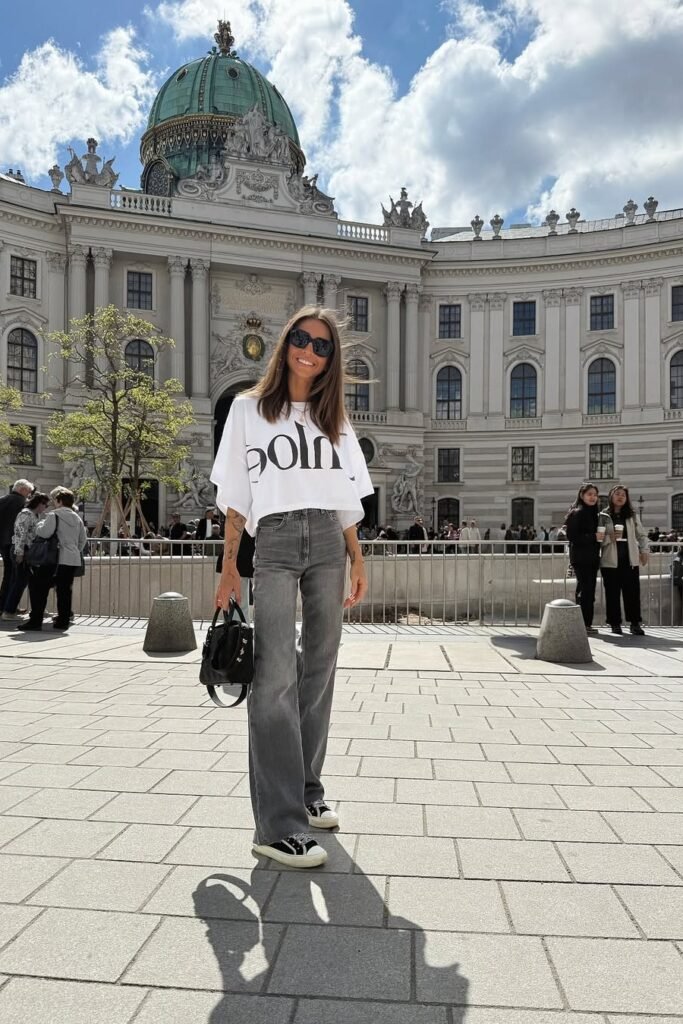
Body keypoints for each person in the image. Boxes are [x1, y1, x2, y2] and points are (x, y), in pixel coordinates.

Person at [211, 305, 373, 869]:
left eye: (322, 345)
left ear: (331, 358)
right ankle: (276, 825)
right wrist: (230, 566)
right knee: (274, 674)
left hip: (329, 538)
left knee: (321, 665)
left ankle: (306, 791)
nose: (309, 350)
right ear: (286, 343)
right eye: (301, 339)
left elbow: (348, 497)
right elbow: (236, 494)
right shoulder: (249, 409)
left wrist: (357, 557)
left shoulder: (334, 419)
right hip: (275, 541)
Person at [18, 487, 87, 632]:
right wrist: (73, 550)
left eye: (56, 500)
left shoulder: (54, 515)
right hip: (71, 559)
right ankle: (63, 621)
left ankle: (36, 621)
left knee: (39, 588)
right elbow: (82, 540)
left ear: (60, 501)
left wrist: (40, 524)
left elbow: (44, 533)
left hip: (54, 559)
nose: (54, 503)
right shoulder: (77, 517)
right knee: (64, 590)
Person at [599, 484, 649, 636]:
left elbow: (641, 535)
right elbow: (598, 538)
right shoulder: (603, 515)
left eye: (623, 495)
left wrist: (644, 550)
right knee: (612, 594)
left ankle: (635, 623)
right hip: (610, 560)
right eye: (617, 494)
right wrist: (609, 538)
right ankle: (615, 624)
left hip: (630, 559)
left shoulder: (632, 515)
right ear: (611, 497)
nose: (620, 497)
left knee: (632, 593)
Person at [5, 492, 50, 620]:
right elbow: (20, 533)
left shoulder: (34, 515)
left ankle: (34, 609)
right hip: (22, 551)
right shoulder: (26, 514)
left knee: (26, 581)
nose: (45, 508)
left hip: (27, 551)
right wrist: (19, 552)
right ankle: (9, 611)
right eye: (45, 505)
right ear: (39, 503)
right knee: (20, 581)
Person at [564, 483, 601, 633]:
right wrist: (593, 536)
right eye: (589, 494)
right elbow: (572, 536)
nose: (593, 497)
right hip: (581, 557)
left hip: (592, 557)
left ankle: (585, 623)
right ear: (582, 495)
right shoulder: (577, 512)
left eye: (595, 495)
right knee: (586, 590)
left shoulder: (594, 513)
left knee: (587, 590)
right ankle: (584, 624)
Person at [0, 478, 33, 618]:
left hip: (2, 542)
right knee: (15, 576)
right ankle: (9, 608)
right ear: (22, 490)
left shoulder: (2, 499)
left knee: (8, 576)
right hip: (15, 543)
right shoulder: (22, 503)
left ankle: (3, 606)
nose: (29, 495)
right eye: (28, 492)